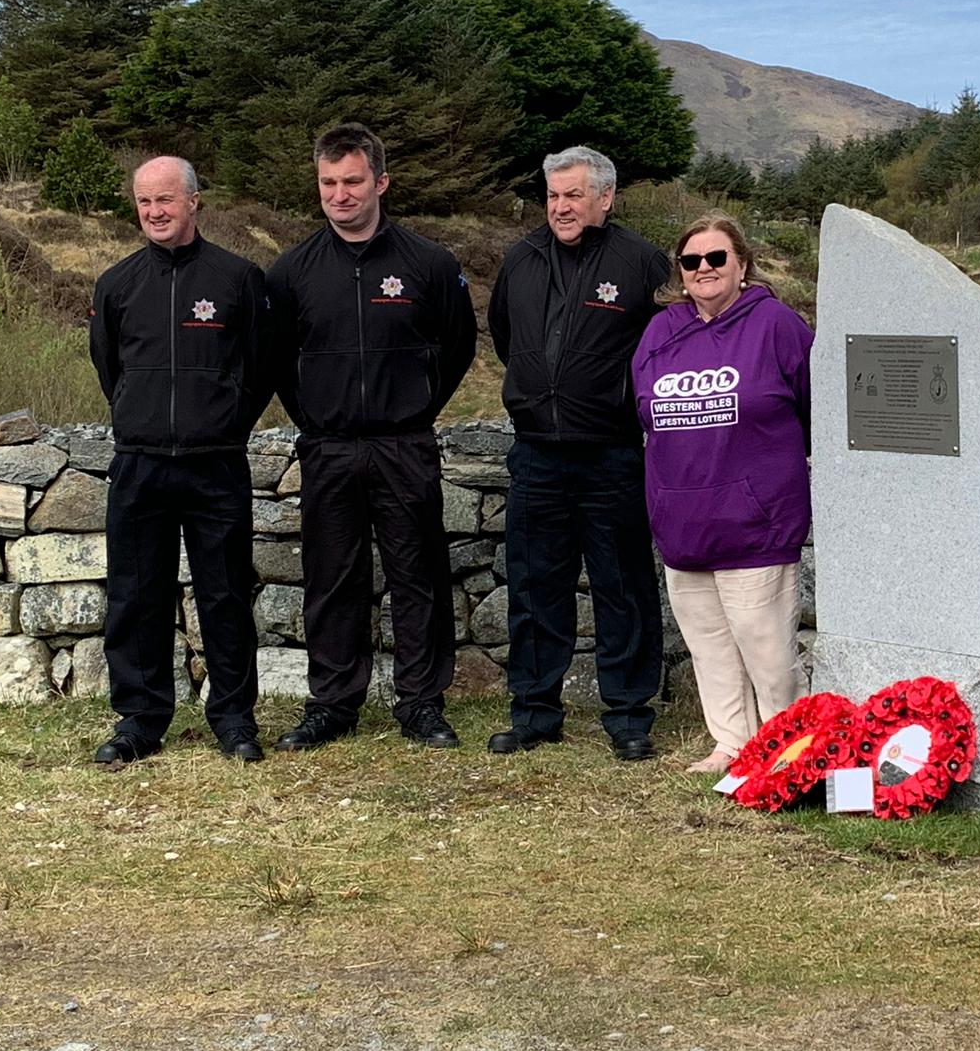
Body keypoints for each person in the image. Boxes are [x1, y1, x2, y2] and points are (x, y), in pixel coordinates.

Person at [265, 123, 476, 751]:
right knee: (333, 577)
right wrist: (316, 418)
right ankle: (333, 703)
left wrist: (412, 408)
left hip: (403, 444)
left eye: (352, 181)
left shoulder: (429, 264)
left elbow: (458, 348)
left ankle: (420, 703)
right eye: (328, 183)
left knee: (418, 575)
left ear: (380, 182)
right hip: (328, 447)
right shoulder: (292, 270)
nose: (340, 194)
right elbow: (277, 360)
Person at [487, 146, 667, 761]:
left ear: (605, 198)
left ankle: (628, 713)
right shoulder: (521, 258)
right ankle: (535, 712)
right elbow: (508, 340)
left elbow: (661, 348)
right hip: (537, 453)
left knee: (623, 587)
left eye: (573, 195)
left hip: (612, 455)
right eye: (553, 195)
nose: (560, 207)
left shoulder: (641, 263)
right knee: (535, 586)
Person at [89, 156, 270, 763]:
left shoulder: (238, 277)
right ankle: (140, 721)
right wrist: (141, 417)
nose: (155, 212)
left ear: (195, 202)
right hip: (140, 465)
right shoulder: (115, 284)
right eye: (144, 202)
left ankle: (234, 719)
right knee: (136, 595)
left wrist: (223, 421)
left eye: (166, 199)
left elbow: (260, 367)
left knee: (224, 594)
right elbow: (110, 369)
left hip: (216, 464)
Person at [632, 214, 813, 774]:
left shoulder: (778, 325)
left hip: (756, 524)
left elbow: (817, 412)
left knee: (770, 654)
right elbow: (644, 411)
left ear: (742, 265)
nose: (704, 269)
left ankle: (792, 749)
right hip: (684, 523)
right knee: (710, 650)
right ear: (680, 273)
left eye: (716, 258)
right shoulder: (661, 332)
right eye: (692, 261)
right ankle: (732, 744)